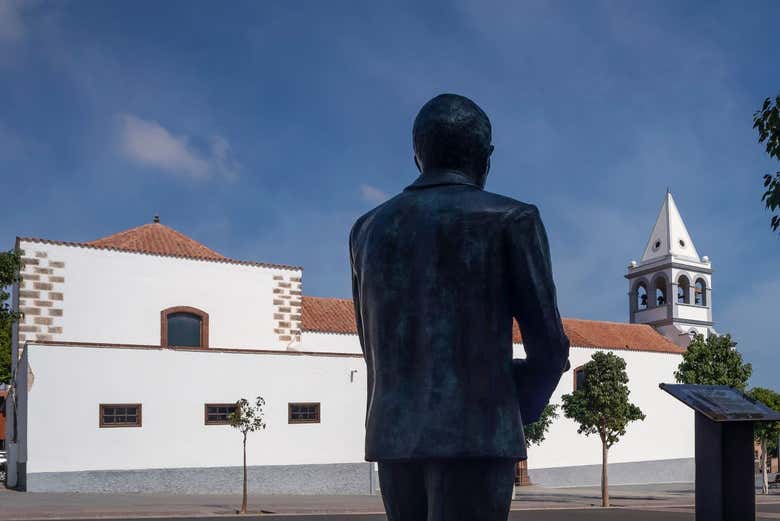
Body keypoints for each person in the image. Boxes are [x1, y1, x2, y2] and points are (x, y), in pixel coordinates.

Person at [349, 93, 570, 521]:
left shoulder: (366, 230)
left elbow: (370, 342)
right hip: (480, 434)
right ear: (484, 158)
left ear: (418, 155)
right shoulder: (512, 219)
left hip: (394, 437)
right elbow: (549, 348)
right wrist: (510, 405)